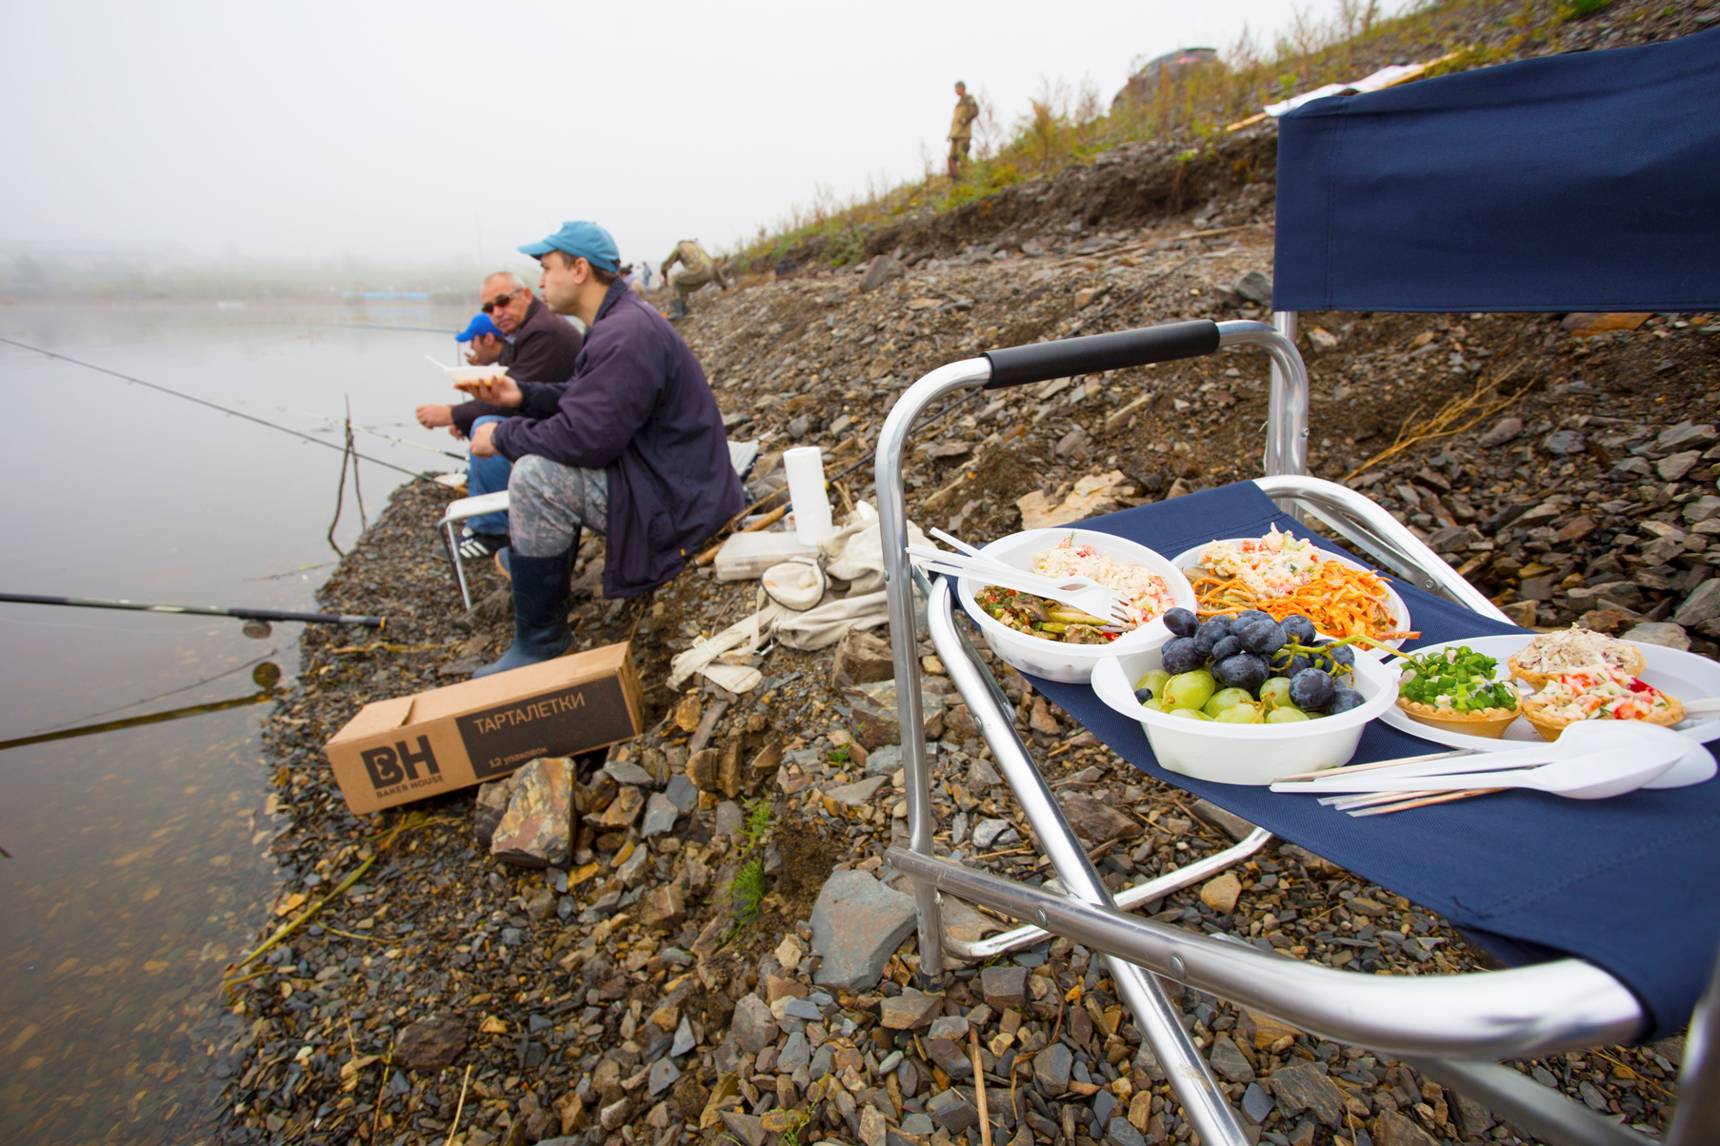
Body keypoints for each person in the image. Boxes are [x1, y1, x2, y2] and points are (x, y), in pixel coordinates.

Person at [464, 221, 743, 677]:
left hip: (678, 507)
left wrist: (500, 437)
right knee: (533, 452)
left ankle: (540, 640)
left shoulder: (624, 333)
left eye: (545, 268)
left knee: (536, 477)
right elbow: (587, 399)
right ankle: (542, 597)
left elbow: (584, 439)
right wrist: (522, 397)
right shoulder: (619, 321)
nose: (538, 282)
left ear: (578, 269)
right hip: (679, 484)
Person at [415, 274, 585, 556]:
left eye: (503, 302)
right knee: (483, 423)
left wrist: (454, 414)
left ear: (527, 295)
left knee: (488, 425)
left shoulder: (543, 332)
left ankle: (491, 532)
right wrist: (461, 418)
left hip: (568, 433)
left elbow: (512, 398)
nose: (497, 312)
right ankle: (492, 515)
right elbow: (515, 393)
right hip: (556, 422)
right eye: (488, 308)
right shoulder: (523, 333)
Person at [658, 239, 728, 319]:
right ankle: (682, 307)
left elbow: (665, 265)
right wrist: (723, 285)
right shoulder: (699, 248)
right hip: (709, 274)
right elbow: (714, 267)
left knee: (674, 279)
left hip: (698, 271)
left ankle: (678, 311)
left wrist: (666, 278)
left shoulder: (680, 247)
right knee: (681, 285)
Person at [948, 80, 979, 180]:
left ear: (962, 88)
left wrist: (966, 119)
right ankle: (956, 180)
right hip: (955, 134)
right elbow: (955, 120)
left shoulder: (969, 99)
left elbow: (975, 111)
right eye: (955, 89)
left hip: (964, 134)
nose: (956, 91)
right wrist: (950, 133)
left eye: (957, 88)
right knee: (951, 158)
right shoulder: (958, 104)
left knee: (962, 156)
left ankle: (966, 178)